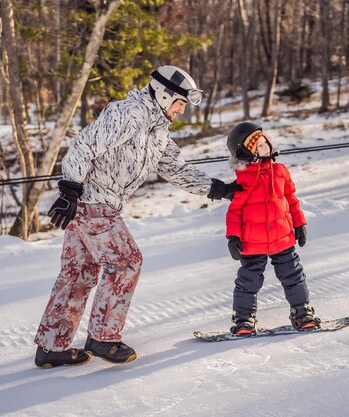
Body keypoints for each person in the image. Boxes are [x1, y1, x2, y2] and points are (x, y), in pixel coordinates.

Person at [34, 65, 241, 368]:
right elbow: (84, 145)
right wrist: (69, 189)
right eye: (180, 103)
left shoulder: (157, 133)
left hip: (96, 205)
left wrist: (218, 188)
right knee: (126, 261)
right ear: (164, 95)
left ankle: (52, 346)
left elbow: (177, 170)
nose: (181, 111)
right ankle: (103, 337)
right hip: (93, 200)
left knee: (78, 273)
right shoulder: (128, 114)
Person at [224, 122, 321, 336]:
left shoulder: (280, 171)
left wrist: (300, 223)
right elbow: (234, 211)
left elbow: (291, 200)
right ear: (245, 152)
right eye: (257, 145)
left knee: (293, 276)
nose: (265, 146)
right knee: (248, 281)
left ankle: (302, 312)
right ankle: (243, 319)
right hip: (252, 243)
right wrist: (233, 237)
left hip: (282, 238)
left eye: (264, 141)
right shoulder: (243, 180)